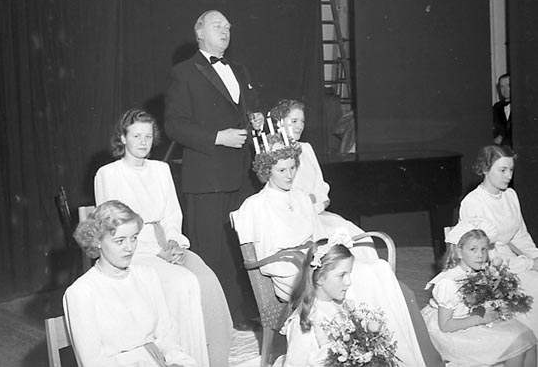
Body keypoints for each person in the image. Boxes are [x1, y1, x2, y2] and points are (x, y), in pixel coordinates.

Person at [231, 135, 431, 367]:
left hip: (317, 264)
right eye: (282, 170)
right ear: (267, 171)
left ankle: (384, 351)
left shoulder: (301, 197)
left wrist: (325, 254)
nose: (290, 175)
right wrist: (310, 264)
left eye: (293, 167)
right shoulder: (257, 205)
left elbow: (320, 239)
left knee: (378, 268)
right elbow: (267, 264)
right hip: (290, 274)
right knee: (363, 277)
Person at [95, 108, 232, 367]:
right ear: (123, 138)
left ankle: (211, 359)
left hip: (165, 242)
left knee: (206, 279)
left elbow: (172, 213)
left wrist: (173, 242)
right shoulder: (109, 174)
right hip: (132, 250)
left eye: (148, 136)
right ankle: (183, 359)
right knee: (182, 284)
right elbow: (113, 228)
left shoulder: (161, 169)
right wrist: (155, 251)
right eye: (136, 136)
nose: (143, 142)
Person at [164, 9, 263, 329]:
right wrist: (217, 137)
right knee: (212, 253)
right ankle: (216, 320)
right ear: (199, 32)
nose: (225, 30)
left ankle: (243, 312)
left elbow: (245, 111)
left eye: (228, 27)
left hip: (242, 176)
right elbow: (174, 125)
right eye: (218, 25)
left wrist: (255, 118)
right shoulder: (183, 72)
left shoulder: (239, 69)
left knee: (241, 249)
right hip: (207, 178)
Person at [63, 200, 196, 367]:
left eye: (134, 238)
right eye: (120, 241)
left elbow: (167, 336)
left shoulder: (147, 276)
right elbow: (93, 362)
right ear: (97, 241)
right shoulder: (81, 292)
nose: (130, 248)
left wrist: (176, 361)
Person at [421, 221, 536, 367]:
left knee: (527, 335)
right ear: (458, 252)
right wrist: (480, 319)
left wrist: (499, 309)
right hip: (449, 329)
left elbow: (484, 300)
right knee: (516, 344)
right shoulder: (448, 283)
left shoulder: (479, 271)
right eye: (473, 249)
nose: (480, 255)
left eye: (484, 249)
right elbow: (445, 325)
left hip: (472, 316)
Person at [459, 144, 538, 338]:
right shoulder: (473, 203)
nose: (508, 176)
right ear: (485, 169)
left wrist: (536, 257)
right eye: (502, 170)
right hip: (489, 270)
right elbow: (483, 255)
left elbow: (520, 235)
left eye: (511, 169)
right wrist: (529, 264)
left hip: (511, 261)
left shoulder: (510, 195)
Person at [270, 99, 372, 245]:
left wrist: (317, 202)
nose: (300, 126)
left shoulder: (306, 148)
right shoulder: (274, 152)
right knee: (341, 244)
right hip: (295, 222)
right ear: (280, 123)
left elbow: (321, 186)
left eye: (302, 121)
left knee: (361, 238)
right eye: (294, 121)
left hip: (317, 213)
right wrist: (308, 201)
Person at [281, 236, 355, 367]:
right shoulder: (306, 321)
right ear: (320, 278)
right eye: (342, 275)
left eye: (349, 274)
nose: (349, 282)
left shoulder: (340, 305)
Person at [493, 73, 511, 146]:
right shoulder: (496, 107)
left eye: (508, 85)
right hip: (501, 148)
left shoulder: (522, 106)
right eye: (502, 86)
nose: (505, 89)